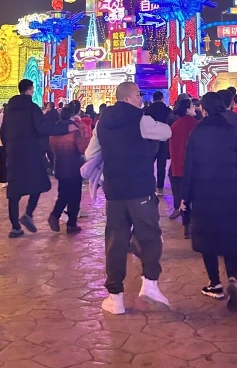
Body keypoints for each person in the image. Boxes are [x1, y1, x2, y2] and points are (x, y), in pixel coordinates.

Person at [89, 80, 172, 315]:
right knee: (150, 236)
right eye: (137, 94)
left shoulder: (101, 122)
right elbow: (167, 132)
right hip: (140, 189)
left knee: (115, 242)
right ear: (126, 97)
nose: (140, 98)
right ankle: (150, 284)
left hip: (115, 191)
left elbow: (89, 152)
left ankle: (115, 297)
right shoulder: (141, 120)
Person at [183, 91, 237, 311]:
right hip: (231, 192)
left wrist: (185, 196)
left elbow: (189, 168)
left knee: (207, 239)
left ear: (204, 109)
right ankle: (233, 277)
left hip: (204, 194)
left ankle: (215, 283)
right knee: (231, 237)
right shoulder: (232, 130)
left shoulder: (197, 133)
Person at [1, 79, 52, 238]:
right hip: (31, 153)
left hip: (13, 153)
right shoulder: (32, 107)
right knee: (40, 183)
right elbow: (42, 128)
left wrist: (9, 147)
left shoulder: (9, 109)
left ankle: (15, 227)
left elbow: (3, 132)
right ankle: (28, 213)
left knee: (14, 190)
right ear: (30, 89)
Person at [48, 101, 90, 234]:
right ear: (71, 117)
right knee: (75, 196)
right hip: (74, 167)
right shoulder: (74, 131)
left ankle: (55, 215)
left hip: (59, 166)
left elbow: (52, 149)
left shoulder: (54, 132)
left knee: (63, 193)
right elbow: (82, 148)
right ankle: (71, 223)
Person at [168, 98, 198, 232]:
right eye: (192, 106)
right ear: (187, 110)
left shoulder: (175, 126)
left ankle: (185, 224)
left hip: (178, 165)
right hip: (193, 165)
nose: (194, 108)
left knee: (182, 192)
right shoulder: (196, 125)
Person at [144, 91, 172, 193]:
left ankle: (149, 184)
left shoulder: (148, 110)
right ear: (162, 98)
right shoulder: (168, 110)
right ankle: (160, 185)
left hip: (151, 140)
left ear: (153, 99)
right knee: (162, 165)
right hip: (164, 140)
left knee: (149, 163)